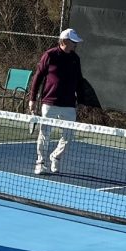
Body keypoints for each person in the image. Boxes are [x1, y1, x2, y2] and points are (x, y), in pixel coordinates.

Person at [28, 28, 85, 175]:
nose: (76, 45)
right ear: (65, 41)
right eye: (73, 42)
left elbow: (78, 81)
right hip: (49, 103)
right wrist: (32, 99)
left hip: (69, 105)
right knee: (44, 133)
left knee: (69, 135)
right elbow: (38, 77)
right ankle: (40, 162)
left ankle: (56, 156)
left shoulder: (75, 59)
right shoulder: (50, 55)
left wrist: (81, 100)